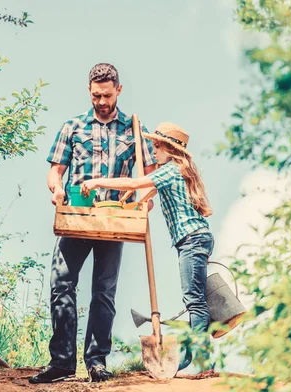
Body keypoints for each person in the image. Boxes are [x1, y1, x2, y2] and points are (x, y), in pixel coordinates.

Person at [29, 63, 156, 384]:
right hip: (76, 217)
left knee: (104, 292)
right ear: (89, 91)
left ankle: (97, 362)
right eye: (97, 95)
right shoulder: (72, 127)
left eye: (107, 95)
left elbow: (151, 175)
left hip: (117, 220)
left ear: (119, 91)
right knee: (61, 285)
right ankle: (61, 362)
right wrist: (56, 189)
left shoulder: (135, 129)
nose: (101, 101)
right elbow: (55, 171)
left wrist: (146, 196)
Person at [81, 122, 214, 371]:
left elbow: (135, 183)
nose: (153, 151)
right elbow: (149, 190)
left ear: (169, 148)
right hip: (196, 238)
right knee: (196, 299)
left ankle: (202, 361)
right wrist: (134, 199)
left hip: (191, 239)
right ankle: (196, 357)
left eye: (156, 145)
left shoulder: (170, 170)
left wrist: (99, 182)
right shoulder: (175, 171)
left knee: (194, 301)